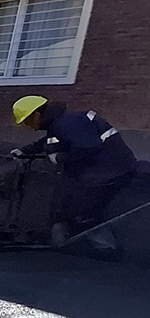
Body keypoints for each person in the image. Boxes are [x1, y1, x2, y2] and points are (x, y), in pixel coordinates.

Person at [10, 95, 139, 243]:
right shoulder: (61, 123)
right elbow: (49, 141)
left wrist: (59, 158)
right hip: (104, 171)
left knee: (82, 213)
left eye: (28, 121)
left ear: (37, 115)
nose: (30, 127)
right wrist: (25, 151)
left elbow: (88, 147)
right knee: (72, 208)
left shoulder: (69, 123)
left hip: (108, 173)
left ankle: (104, 248)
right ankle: (83, 243)